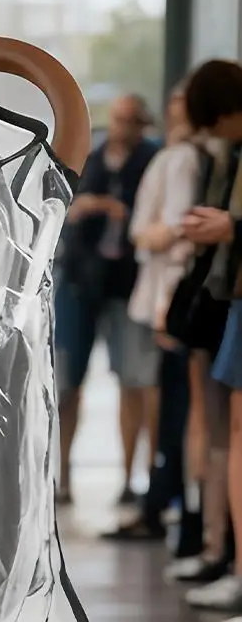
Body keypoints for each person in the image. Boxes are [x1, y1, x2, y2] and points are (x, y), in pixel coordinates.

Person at [106, 85, 205, 542]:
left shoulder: (182, 159)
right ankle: (161, 502)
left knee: (176, 411)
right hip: (159, 297)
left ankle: (171, 510)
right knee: (166, 407)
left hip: (168, 299)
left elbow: (175, 231)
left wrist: (146, 236)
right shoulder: (174, 156)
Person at [55, 93, 159, 505]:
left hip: (127, 283)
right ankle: (62, 477)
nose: (121, 127)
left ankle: (132, 476)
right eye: (117, 119)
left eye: (130, 120)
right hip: (82, 280)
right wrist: (89, 205)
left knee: (133, 381)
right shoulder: (90, 156)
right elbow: (60, 204)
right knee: (68, 383)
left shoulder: (151, 162)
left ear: (141, 124)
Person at [173, 58, 242, 619]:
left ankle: (226, 556)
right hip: (226, 299)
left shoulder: (226, 153)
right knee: (221, 426)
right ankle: (220, 551)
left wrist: (230, 228)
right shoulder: (224, 155)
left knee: (229, 430)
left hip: (229, 299)